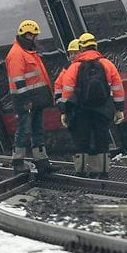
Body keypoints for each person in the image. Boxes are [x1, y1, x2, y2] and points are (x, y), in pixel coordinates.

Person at [60, 32, 124, 178]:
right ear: (95, 46)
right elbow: (118, 88)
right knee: (102, 138)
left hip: (82, 110)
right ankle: (102, 172)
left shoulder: (74, 67)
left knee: (83, 138)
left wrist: (64, 111)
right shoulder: (107, 64)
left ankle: (82, 171)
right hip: (103, 108)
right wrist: (119, 109)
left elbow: (67, 91)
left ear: (81, 48)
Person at [5, 19, 54, 174]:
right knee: (24, 129)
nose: (36, 39)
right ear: (28, 35)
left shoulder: (28, 52)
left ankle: (42, 161)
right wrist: (26, 101)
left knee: (37, 129)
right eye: (34, 36)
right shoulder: (17, 54)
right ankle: (17, 161)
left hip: (35, 100)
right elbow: (17, 80)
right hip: (26, 101)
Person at [54, 39, 81, 172]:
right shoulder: (66, 70)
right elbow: (58, 89)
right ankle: (82, 169)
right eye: (70, 54)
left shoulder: (83, 68)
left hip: (81, 110)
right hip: (72, 111)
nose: (71, 56)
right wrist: (63, 109)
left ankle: (90, 170)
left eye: (74, 53)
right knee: (78, 140)